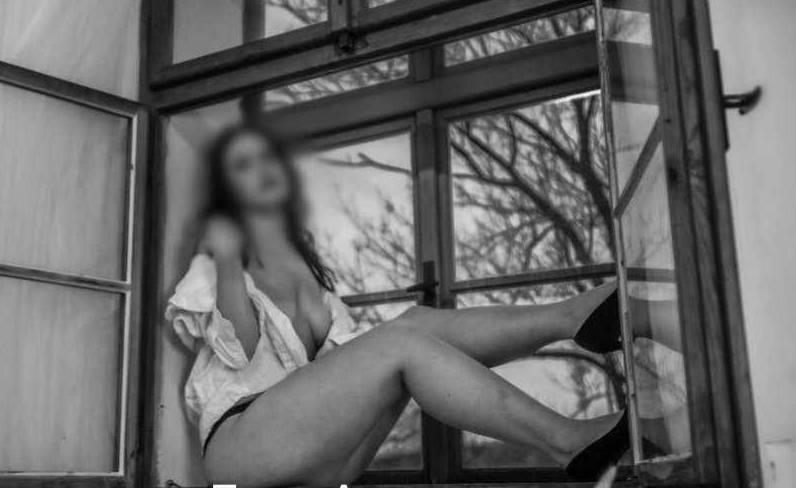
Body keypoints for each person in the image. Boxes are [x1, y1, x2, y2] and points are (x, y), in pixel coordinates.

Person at [166, 124, 631, 486]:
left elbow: (341, 374)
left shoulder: (309, 270)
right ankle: (566, 440)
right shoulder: (216, 262)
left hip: (323, 454)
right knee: (402, 341)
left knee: (415, 322)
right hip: (242, 447)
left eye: (266, 157)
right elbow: (239, 349)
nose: (262, 169)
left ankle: (575, 317)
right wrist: (225, 253)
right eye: (244, 164)